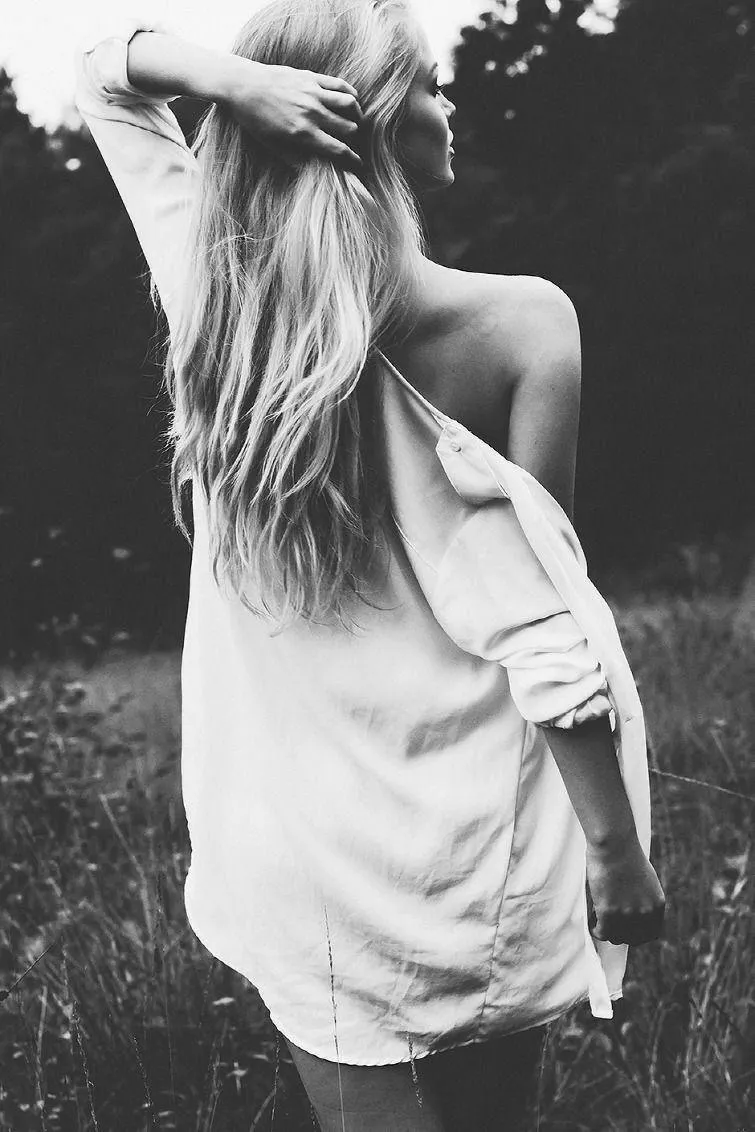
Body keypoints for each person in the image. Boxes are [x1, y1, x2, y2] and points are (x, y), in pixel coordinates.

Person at [73, 2, 665, 1128]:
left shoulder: (225, 311)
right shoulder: (522, 325)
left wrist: (238, 90)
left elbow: (110, 77)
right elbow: (543, 612)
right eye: (432, 85)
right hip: (473, 843)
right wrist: (612, 850)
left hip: (306, 853)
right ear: (371, 120)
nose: (449, 107)